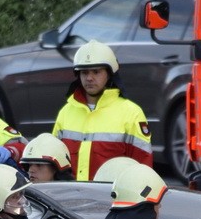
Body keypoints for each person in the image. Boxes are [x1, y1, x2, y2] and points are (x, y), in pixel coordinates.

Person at [52, 40, 153, 180]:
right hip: (69, 198)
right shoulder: (66, 113)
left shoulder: (132, 114)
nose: (89, 78)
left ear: (109, 74)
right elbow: (53, 164)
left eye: (96, 72)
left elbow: (143, 170)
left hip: (111, 199)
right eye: (84, 72)